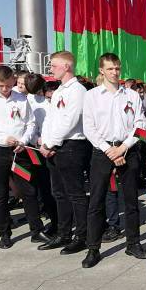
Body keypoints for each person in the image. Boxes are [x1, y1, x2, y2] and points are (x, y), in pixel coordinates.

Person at [80, 53, 146, 268]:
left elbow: (140, 125)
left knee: (131, 200)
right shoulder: (92, 96)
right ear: (101, 70)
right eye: (110, 69)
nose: (114, 72)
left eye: (117, 68)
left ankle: (133, 243)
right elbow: (88, 127)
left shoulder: (131, 95)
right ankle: (93, 248)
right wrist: (108, 149)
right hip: (103, 150)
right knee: (96, 200)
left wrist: (123, 147)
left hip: (127, 149)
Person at [0, 65, 49, 248]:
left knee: (28, 190)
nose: (5, 89)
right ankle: (4, 233)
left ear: (13, 80)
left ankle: (36, 230)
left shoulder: (21, 98)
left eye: (8, 85)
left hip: (19, 152)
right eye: (1, 86)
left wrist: (24, 140)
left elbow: (30, 123)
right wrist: (2, 139)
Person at [38, 51, 91, 254]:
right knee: (59, 193)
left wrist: (50, 143)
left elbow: (71, 120)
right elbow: (50, 119)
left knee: (75, 193)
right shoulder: (59, 90)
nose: (50, 69)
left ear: (66, 67)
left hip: (71, 147)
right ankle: (64, 233)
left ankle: (82, 236)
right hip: (55, 146)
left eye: (53, 65)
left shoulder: (77, 91)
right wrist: (45, 141)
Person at [23, 72, 58, 237]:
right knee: (43, 188)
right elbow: (29, 125)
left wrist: (49, 142)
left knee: (55, 188)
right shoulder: (26, 101)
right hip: (35, 149)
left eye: (38, 90)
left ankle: (60, 221)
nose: (37, 94)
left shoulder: (50, 100)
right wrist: (37, 140)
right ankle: (54, 220)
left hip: (52, 146)